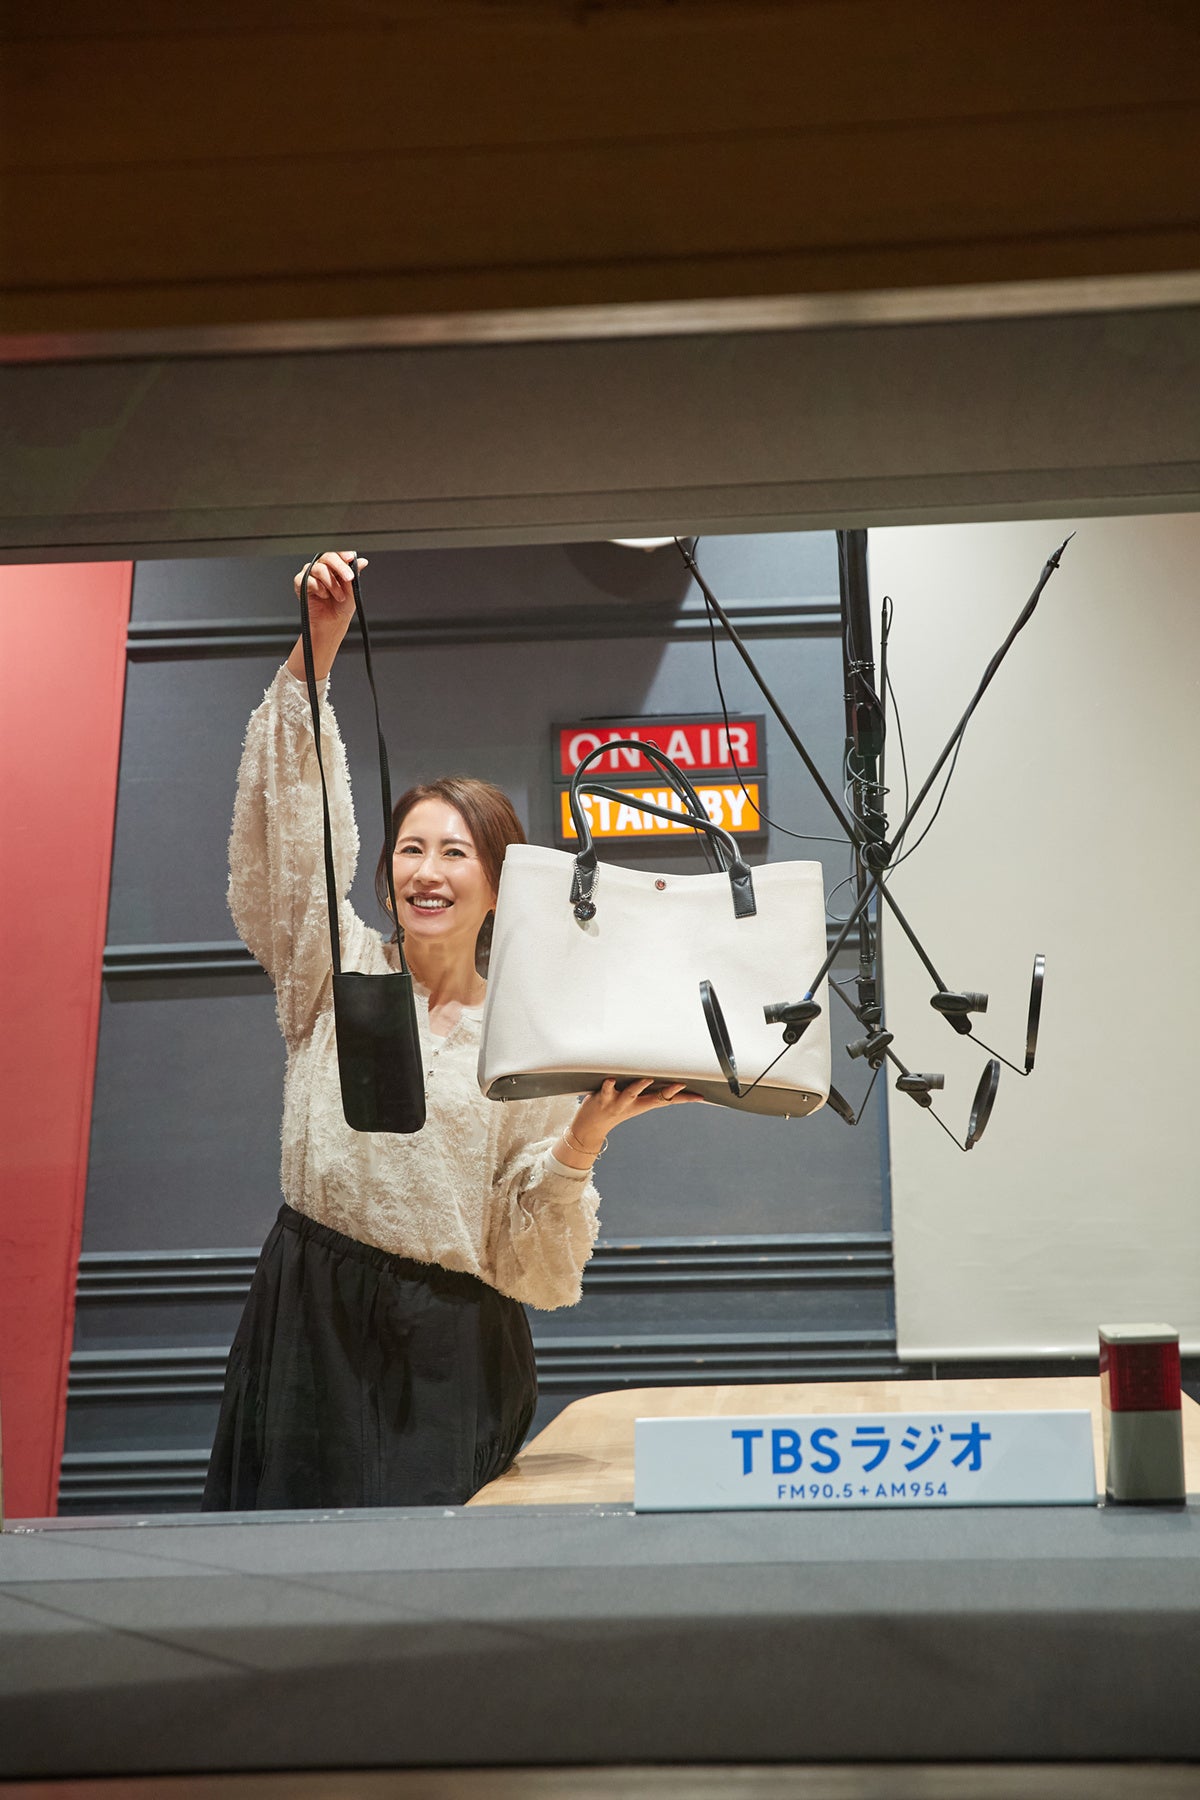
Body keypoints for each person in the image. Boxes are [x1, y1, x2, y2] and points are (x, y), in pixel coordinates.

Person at [202, 549, 699, 1511]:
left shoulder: (530, 1034)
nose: (427, 872)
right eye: (410, 850)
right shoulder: (332, 972)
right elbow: (294, 840)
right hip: (307, 1319)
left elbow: (530, 1260)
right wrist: (315, 653)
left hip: (450, 1350)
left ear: (498, 886)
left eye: (455, 853)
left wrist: (584, 1137)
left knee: (427, 1572)